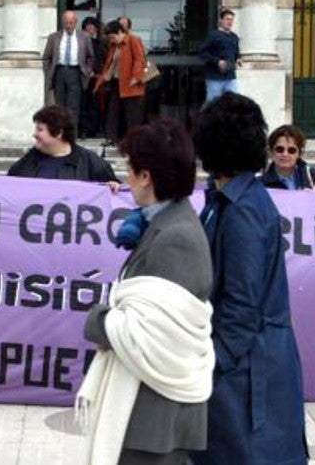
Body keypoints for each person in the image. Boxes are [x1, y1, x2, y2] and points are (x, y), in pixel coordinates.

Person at [78, 118, 214, 464]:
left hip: (155, 417)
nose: (126, 180)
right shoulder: (163, 224)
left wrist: (99, 321)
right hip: (149, 413)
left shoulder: (176, 237)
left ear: (146, 177)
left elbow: (157, 335)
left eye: (130, 170)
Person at [192, 93, 308, 464]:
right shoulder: (226, 199)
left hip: (245, 374)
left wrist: (212, 365)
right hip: (247, 366)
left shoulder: (241, 210)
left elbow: (241, 304)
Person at [6, 105, 119, 189]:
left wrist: (113, 187)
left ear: (58, 133)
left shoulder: (90, 162)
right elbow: (8, 187)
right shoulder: (29, 160)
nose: (34, 134)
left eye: (40, 129)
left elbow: (117, 194)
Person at [97, 20, 146, 145]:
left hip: (131, 84)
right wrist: (105, 77)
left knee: (132, 115)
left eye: (113, 37)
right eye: (110, 38)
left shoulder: (133, 40)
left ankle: (133, 141)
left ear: (120, 32)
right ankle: (111, 139)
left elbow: (139, 59)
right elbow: (111, 63)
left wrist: (136, 77)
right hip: (117, 83)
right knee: (113, 112)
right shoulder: (114, 46)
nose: (111, 40)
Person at [42, 10, 94, 126]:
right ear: (62, 23)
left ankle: (71, 136)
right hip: (59, 72)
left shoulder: (84, 37)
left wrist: (86, 71)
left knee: (73, 107)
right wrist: (49, 71)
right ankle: (60, 134)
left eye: (71, 22)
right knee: (59, 107)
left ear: (75, 22)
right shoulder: (53, 37)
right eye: (66, 23)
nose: (68, 25)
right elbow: (46, 58)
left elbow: (90, 57)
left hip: (76, 72)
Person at [260, 124, 315, 191]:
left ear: (300, 153)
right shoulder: (259, 183)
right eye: (279, 149)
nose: (285, 154)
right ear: (270, 152)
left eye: (291, 150)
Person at [198, 9, 241, 105]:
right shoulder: (213, 35)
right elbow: (202, 53)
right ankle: (203, 119)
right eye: (227, 19)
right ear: (221, 20)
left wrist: (238, 59)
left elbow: (236, 52)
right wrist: (218, 61)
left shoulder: (234, 37)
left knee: (234, 102)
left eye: (232, 20)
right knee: (212, 103)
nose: (230, 22)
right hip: (214, 77)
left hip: (230, 77)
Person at [81, 16, 105, 138]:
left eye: (92, 27)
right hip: (83, 76)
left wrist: (97, 72)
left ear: (96, 29)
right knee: (83, 103)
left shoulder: (100, 43)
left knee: (95, 104)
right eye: (87, 27)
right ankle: (83, 129)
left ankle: (94, 129)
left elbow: (102, 60)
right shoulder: (80, 43)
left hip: (96, 78)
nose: (90, 29)